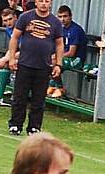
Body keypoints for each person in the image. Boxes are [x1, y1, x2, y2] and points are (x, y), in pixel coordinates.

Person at [7, 0, 63, 136]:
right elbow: (15, 37)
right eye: (40, 1)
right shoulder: (25, 17)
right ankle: (15, 124)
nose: (44, 4)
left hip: (44, 66)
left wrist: (58, 64)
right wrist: (12, 58)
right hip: (25, 64)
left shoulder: (55, 22)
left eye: (47, 1)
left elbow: (59, 44)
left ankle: (34, 127)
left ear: (50, 3)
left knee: (39, 99)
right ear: (36, 3)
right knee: (20, 97)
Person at [45, 4, 85, 98]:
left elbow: (71, 53)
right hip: (64, 57)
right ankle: (53, 87)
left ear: (70, 17)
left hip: (77, 60)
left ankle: (59, 88)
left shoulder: (75, 30)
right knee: (46, 60)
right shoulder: (60, 29)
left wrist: (56, 56)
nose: (62, 19)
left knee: (54, 61)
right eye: (60, 17)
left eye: (65, 16)